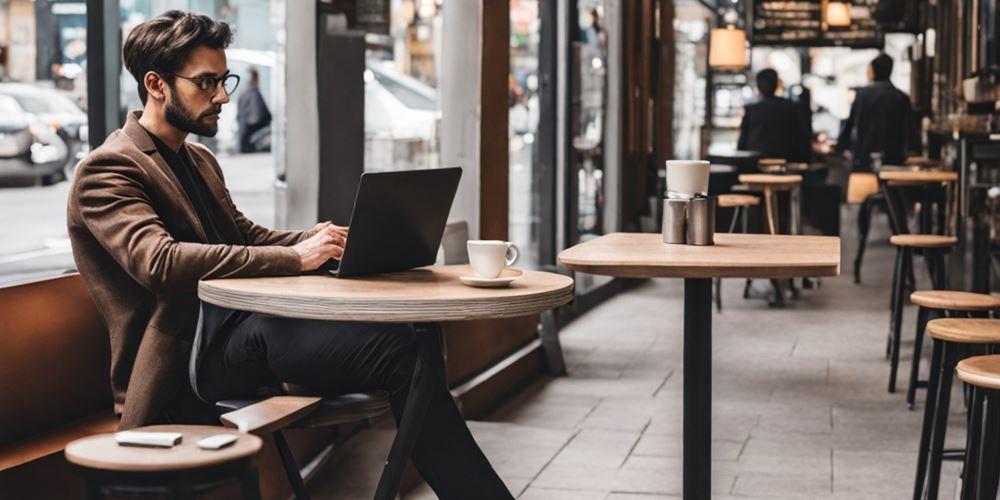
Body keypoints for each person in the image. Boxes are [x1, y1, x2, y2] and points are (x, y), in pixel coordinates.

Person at [66, 11, 512, 499]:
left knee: (414, 340)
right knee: (400, 350)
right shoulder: (109, 168)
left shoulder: (198, 159)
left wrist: (313, 239)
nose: (224, 96)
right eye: (206, 82)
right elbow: (160, 263)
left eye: (224, 79)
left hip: (249, 330)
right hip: (192, 356)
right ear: (155, 84)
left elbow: (241, 235)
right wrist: (296, 258)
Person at [835, 52, 915, 171]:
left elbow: (850, 125)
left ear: (873, 71)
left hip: (864, 159)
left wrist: (839, 146)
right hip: (894, 160)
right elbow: (910, 129)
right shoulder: (901, 97)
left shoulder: (862, 95)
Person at [737, 69, 812, 163]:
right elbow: (805, 141)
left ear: (758, 87)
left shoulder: (751, 110)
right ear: (777, 84)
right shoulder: (795, 108)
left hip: (757, 167)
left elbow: (741, 146)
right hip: (790, 166)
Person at [236, 66, 271, 153]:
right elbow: (257, 114)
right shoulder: (253, 92)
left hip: (245, 127)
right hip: (250, 130)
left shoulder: (245, 91)